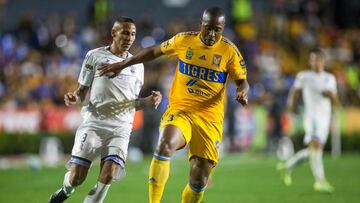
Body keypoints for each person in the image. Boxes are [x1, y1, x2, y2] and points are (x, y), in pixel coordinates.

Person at [99, 7, 249, 203]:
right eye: (208, 28)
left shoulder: (229, 51)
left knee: (199, 180)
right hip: (181, 111)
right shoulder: (184, 40)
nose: (212, 34)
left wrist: (242, 90)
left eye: (217, 30)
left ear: (223, 29)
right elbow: (154, 51)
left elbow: (242, 80)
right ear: (201, 25)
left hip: (209, 119)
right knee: (164, 145)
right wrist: (123, 64)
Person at [48, 17, 162, 203]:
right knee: (77, 177)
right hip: (94, 123)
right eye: (125, 32)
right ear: (113, 33)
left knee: (108, 175)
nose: (129, 38)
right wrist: (74, 97)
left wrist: (148, 101)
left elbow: (133, 103)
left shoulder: (137, 66)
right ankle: (65, 191)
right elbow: (82, 91)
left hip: (121, 128)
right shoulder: (95, 56)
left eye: (133, 34)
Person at [277, 48, 339, 193]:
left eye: (319, 59)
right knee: (316, 146)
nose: (316, 62)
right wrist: (291, 105)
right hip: (312, 118)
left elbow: (335, 98)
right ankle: (320, 181)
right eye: (313, 59)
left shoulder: (330, 78)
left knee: (314, 151)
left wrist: (331, 95)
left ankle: (286, 167)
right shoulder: (304, 76)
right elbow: (295, 91)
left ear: (323, 61)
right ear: (310, 61)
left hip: (325, 118)